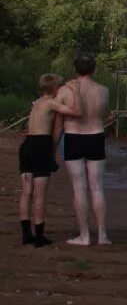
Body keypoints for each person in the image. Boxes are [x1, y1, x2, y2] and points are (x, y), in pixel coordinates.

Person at [56, 52, 111, 246]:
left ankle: (85, 235)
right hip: (95, 135)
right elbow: (103, 113)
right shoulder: (103, 90)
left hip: (74, 136)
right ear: (94, 69)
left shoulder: (64, 90)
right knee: (97, 187)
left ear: (75, 69)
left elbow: (59, 118)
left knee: (79, 188)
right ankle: (102, 235)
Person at [19, 74, 81, 246]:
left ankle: (26, 235)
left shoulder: (37, 102)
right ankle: (39, 236)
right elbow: (76, 112)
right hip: (41, 144)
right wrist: (74, 91)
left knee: (26, 192)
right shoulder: (52, 103)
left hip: (27, 144)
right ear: (55, 89)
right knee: (40, 194)